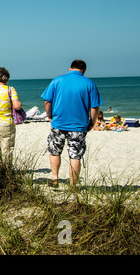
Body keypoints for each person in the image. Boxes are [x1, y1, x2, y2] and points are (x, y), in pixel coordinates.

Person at [41, 59, 102, 188]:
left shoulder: (57, 80)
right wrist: (92, 123)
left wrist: (50, 116)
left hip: (58, 123)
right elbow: (95, 107)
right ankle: (73, 185)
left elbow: (47, 102)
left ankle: (55, 178)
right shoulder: (89, 84)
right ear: (84, 70)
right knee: (75, 156)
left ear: (70, 68)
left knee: (54, 151)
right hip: (78, 126)